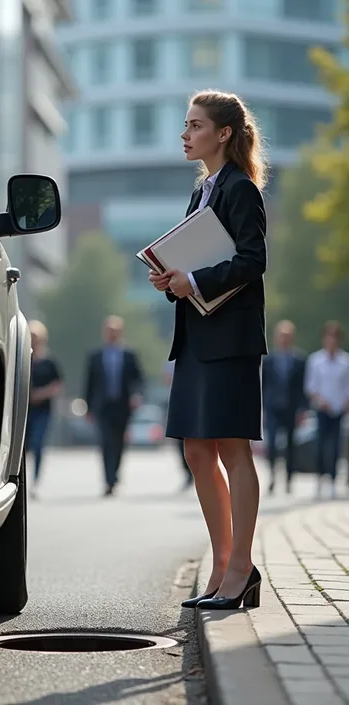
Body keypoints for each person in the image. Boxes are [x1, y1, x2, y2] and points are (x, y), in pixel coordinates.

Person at [150, 90, 267, 610]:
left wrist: (192, 278)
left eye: (195, 125)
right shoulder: (202, 190)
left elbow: (252, 260)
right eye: (185, 124)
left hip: (231, 339)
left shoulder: (241, 189)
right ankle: (221, 565)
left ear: (223, 133)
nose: (185, 133)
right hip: (198, 335)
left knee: (232, 449)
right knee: (196, 450)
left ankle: (241, 567)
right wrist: (175, 279)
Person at [84, 315, 144, 497]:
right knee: (106, 441)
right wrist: (87, 407)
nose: (112, 334)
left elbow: (139, 379)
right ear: (104, 333)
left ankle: (115, 474)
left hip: (122, 406)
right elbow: (89, 383)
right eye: (109, 331)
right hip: (102, 407)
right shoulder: (95, 356)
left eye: (115, 331)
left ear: (120, 333)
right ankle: (109, 480)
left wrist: (137, 396)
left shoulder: (129, 355)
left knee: (118, 443)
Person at [305, 321, 349, 499]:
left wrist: (345, 402)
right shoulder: (315, 360)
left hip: (339, 410)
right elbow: (310, 386)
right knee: (321, 445)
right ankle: (319, 477)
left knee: (336, 446)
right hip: (322, 409)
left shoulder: (345, 361)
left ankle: (332, 478)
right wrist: (321, 401)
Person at [262, 320, 307, 494]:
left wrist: (303, 409)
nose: (284, 339)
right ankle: (272, 475)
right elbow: (263, 385)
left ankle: (289, 478)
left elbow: (303, 387)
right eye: (282, 336)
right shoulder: (268, 360)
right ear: (276, 337)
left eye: (287, 336)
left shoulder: (300, 360)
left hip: (292, 408)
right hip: (272, 407)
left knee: (290, 445)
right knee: (272, 444)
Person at [26, 320, 63, 497]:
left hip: (42, 410)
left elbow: (57, 385)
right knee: (23, 446)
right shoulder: (23, 359)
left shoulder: (48, 362)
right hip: (23, 410)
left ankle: (36, 480)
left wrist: (40, 394)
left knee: (38, 443)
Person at [162, 360, 194, 491]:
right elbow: (167, 379)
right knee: (181, 442)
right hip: (180, 402)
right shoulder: (172, 362)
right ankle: (188, 472)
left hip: (197, 401)